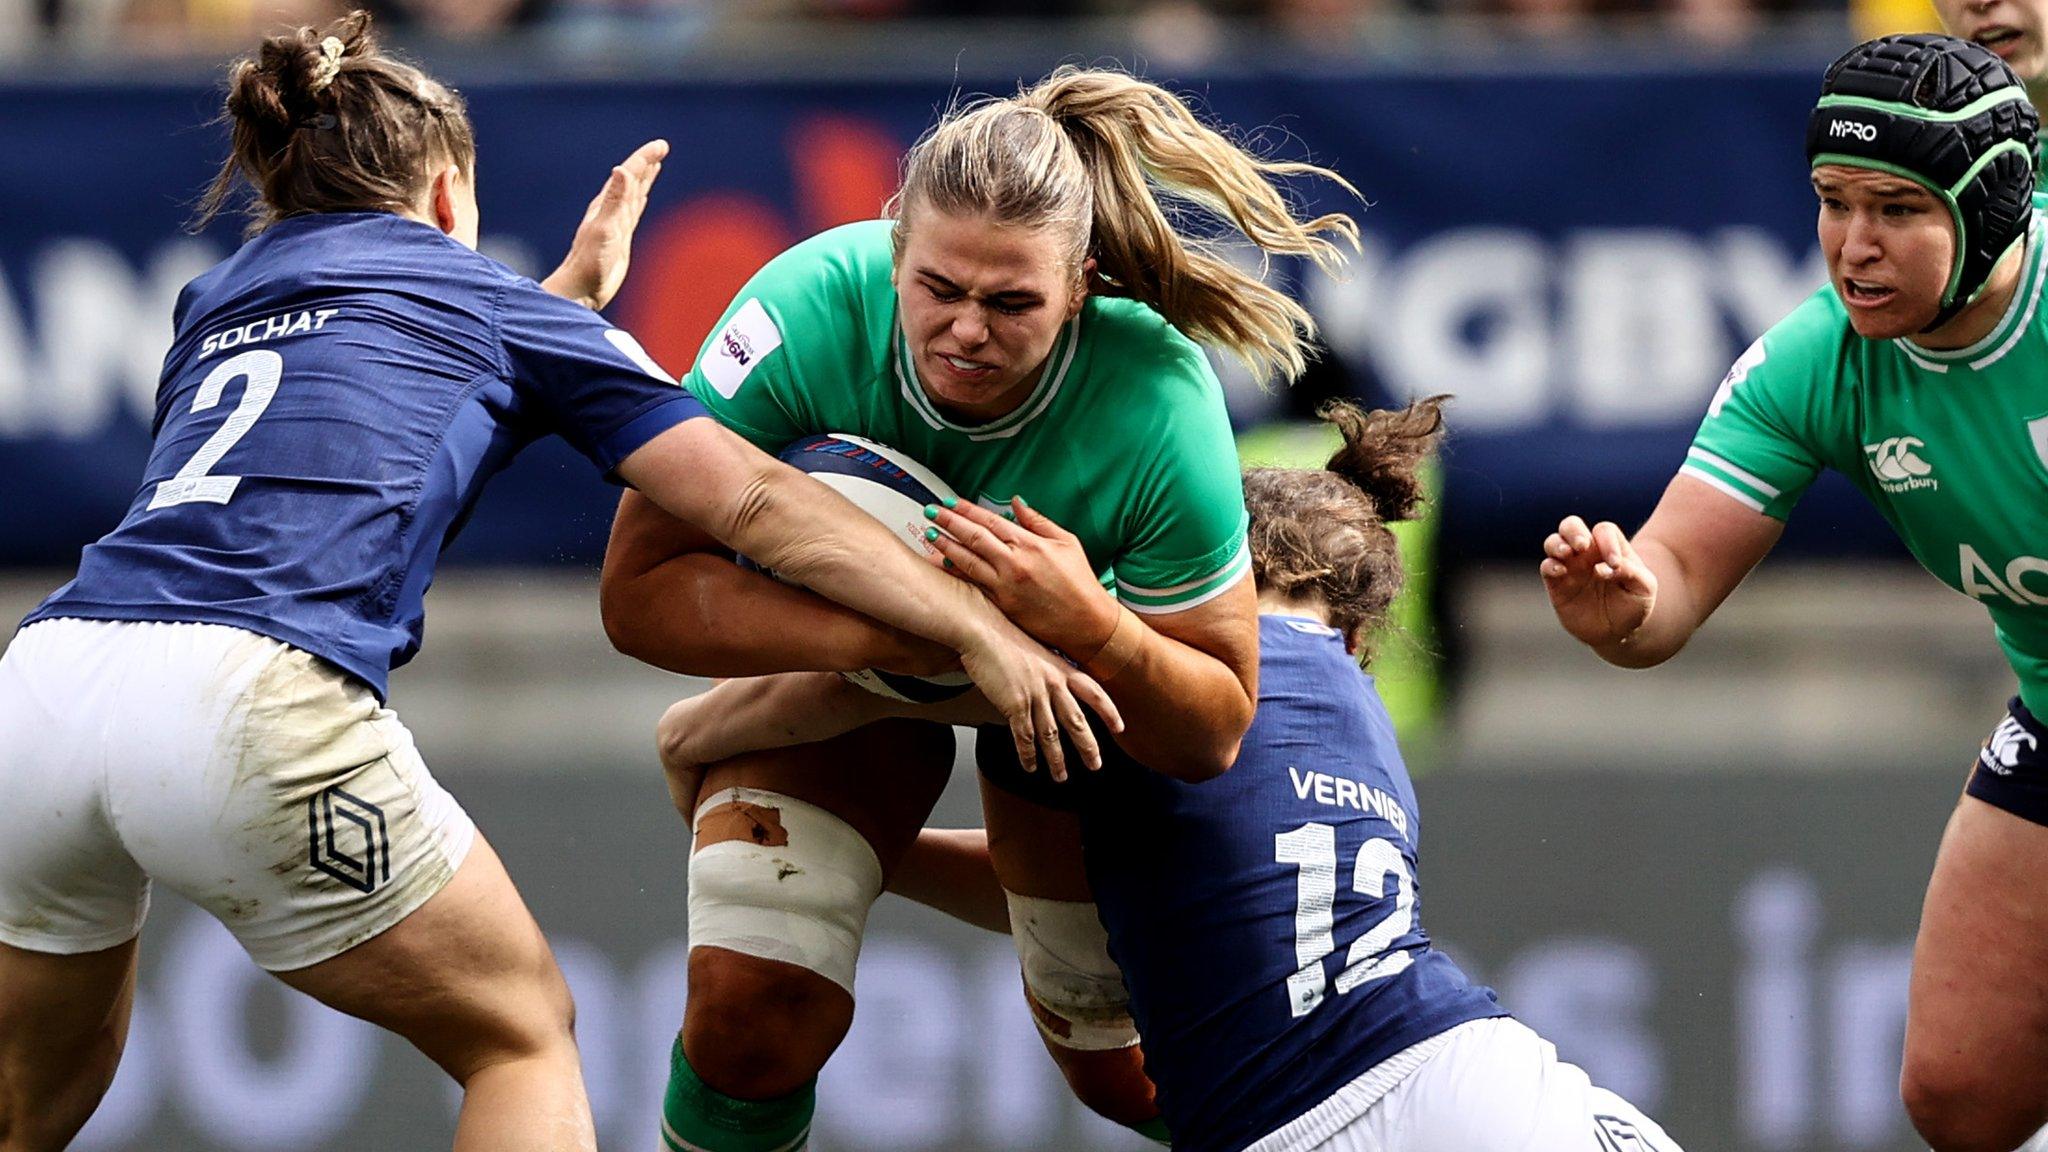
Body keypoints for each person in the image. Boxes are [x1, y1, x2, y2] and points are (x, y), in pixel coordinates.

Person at [0, 14, 1113, 1152]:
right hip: (242, 697)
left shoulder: (214, 302)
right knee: (520, 1037)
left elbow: (374, 375)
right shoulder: (498, 307)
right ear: (445, 196)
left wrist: (558, 302)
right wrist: (976, 630)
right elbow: (752, 502)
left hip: (46, 683)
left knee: (27, 1107)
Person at [596, 66, 1360, 1152]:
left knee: (1126, 1081)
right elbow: (638, 597)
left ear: (1083, 283)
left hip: (1067, 709)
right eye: (937, 288)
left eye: (1012, 304)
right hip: (883, 668)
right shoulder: (802, 309)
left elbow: (1209, 727)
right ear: (891, 242)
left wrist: (1082, 626)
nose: (965, 331)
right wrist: (913, 636)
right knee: (748, 1018)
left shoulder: (1156, 397)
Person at [659, 398, 1686, 1152]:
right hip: (1476, 1080)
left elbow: (880, 681)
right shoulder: (1347, 705)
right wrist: (887, 859)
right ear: (1361, 629)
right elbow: (1162, 884)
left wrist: (696, 734)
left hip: (1312, 1114)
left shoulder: (1164, 667)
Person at [1540, 32, 2048, 1152]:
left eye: (1897, 211)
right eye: (1831, 202)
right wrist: (1620, 605)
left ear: (1995, 207)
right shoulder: (1811, 366)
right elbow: (1668, 579)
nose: (1852, 247)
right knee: (1960, 1094)